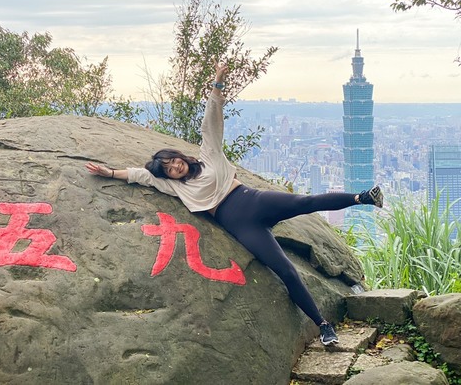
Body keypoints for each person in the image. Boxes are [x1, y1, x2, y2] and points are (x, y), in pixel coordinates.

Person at [85, 62, 383, 347]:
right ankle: (323, 326)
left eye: (174, 160)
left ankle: (363, 198)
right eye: (169, 168)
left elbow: (210, 122)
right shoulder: (174, 186)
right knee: (285, 270)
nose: (175, 167)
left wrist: (217, 83)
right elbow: (141, 176)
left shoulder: (209, 156)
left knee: (307, 202)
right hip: (240, 225)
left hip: (253, 199)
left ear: (179, 156)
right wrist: (111, 173)